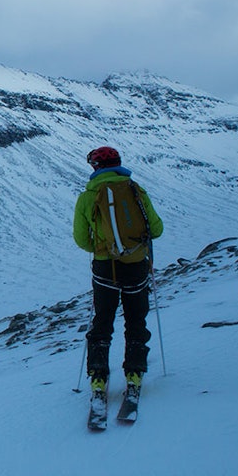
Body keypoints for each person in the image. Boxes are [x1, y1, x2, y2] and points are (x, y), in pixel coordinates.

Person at [72, 146, 164, 403]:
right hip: (136, 266)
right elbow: (156, 229)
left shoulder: (88, 197)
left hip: (105, 270)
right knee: (136, 321)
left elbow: (81, 239)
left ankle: (98, 378)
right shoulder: (136, 190)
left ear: (95, 167)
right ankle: (134, 375)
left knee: (102, 323)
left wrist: (102, 248)